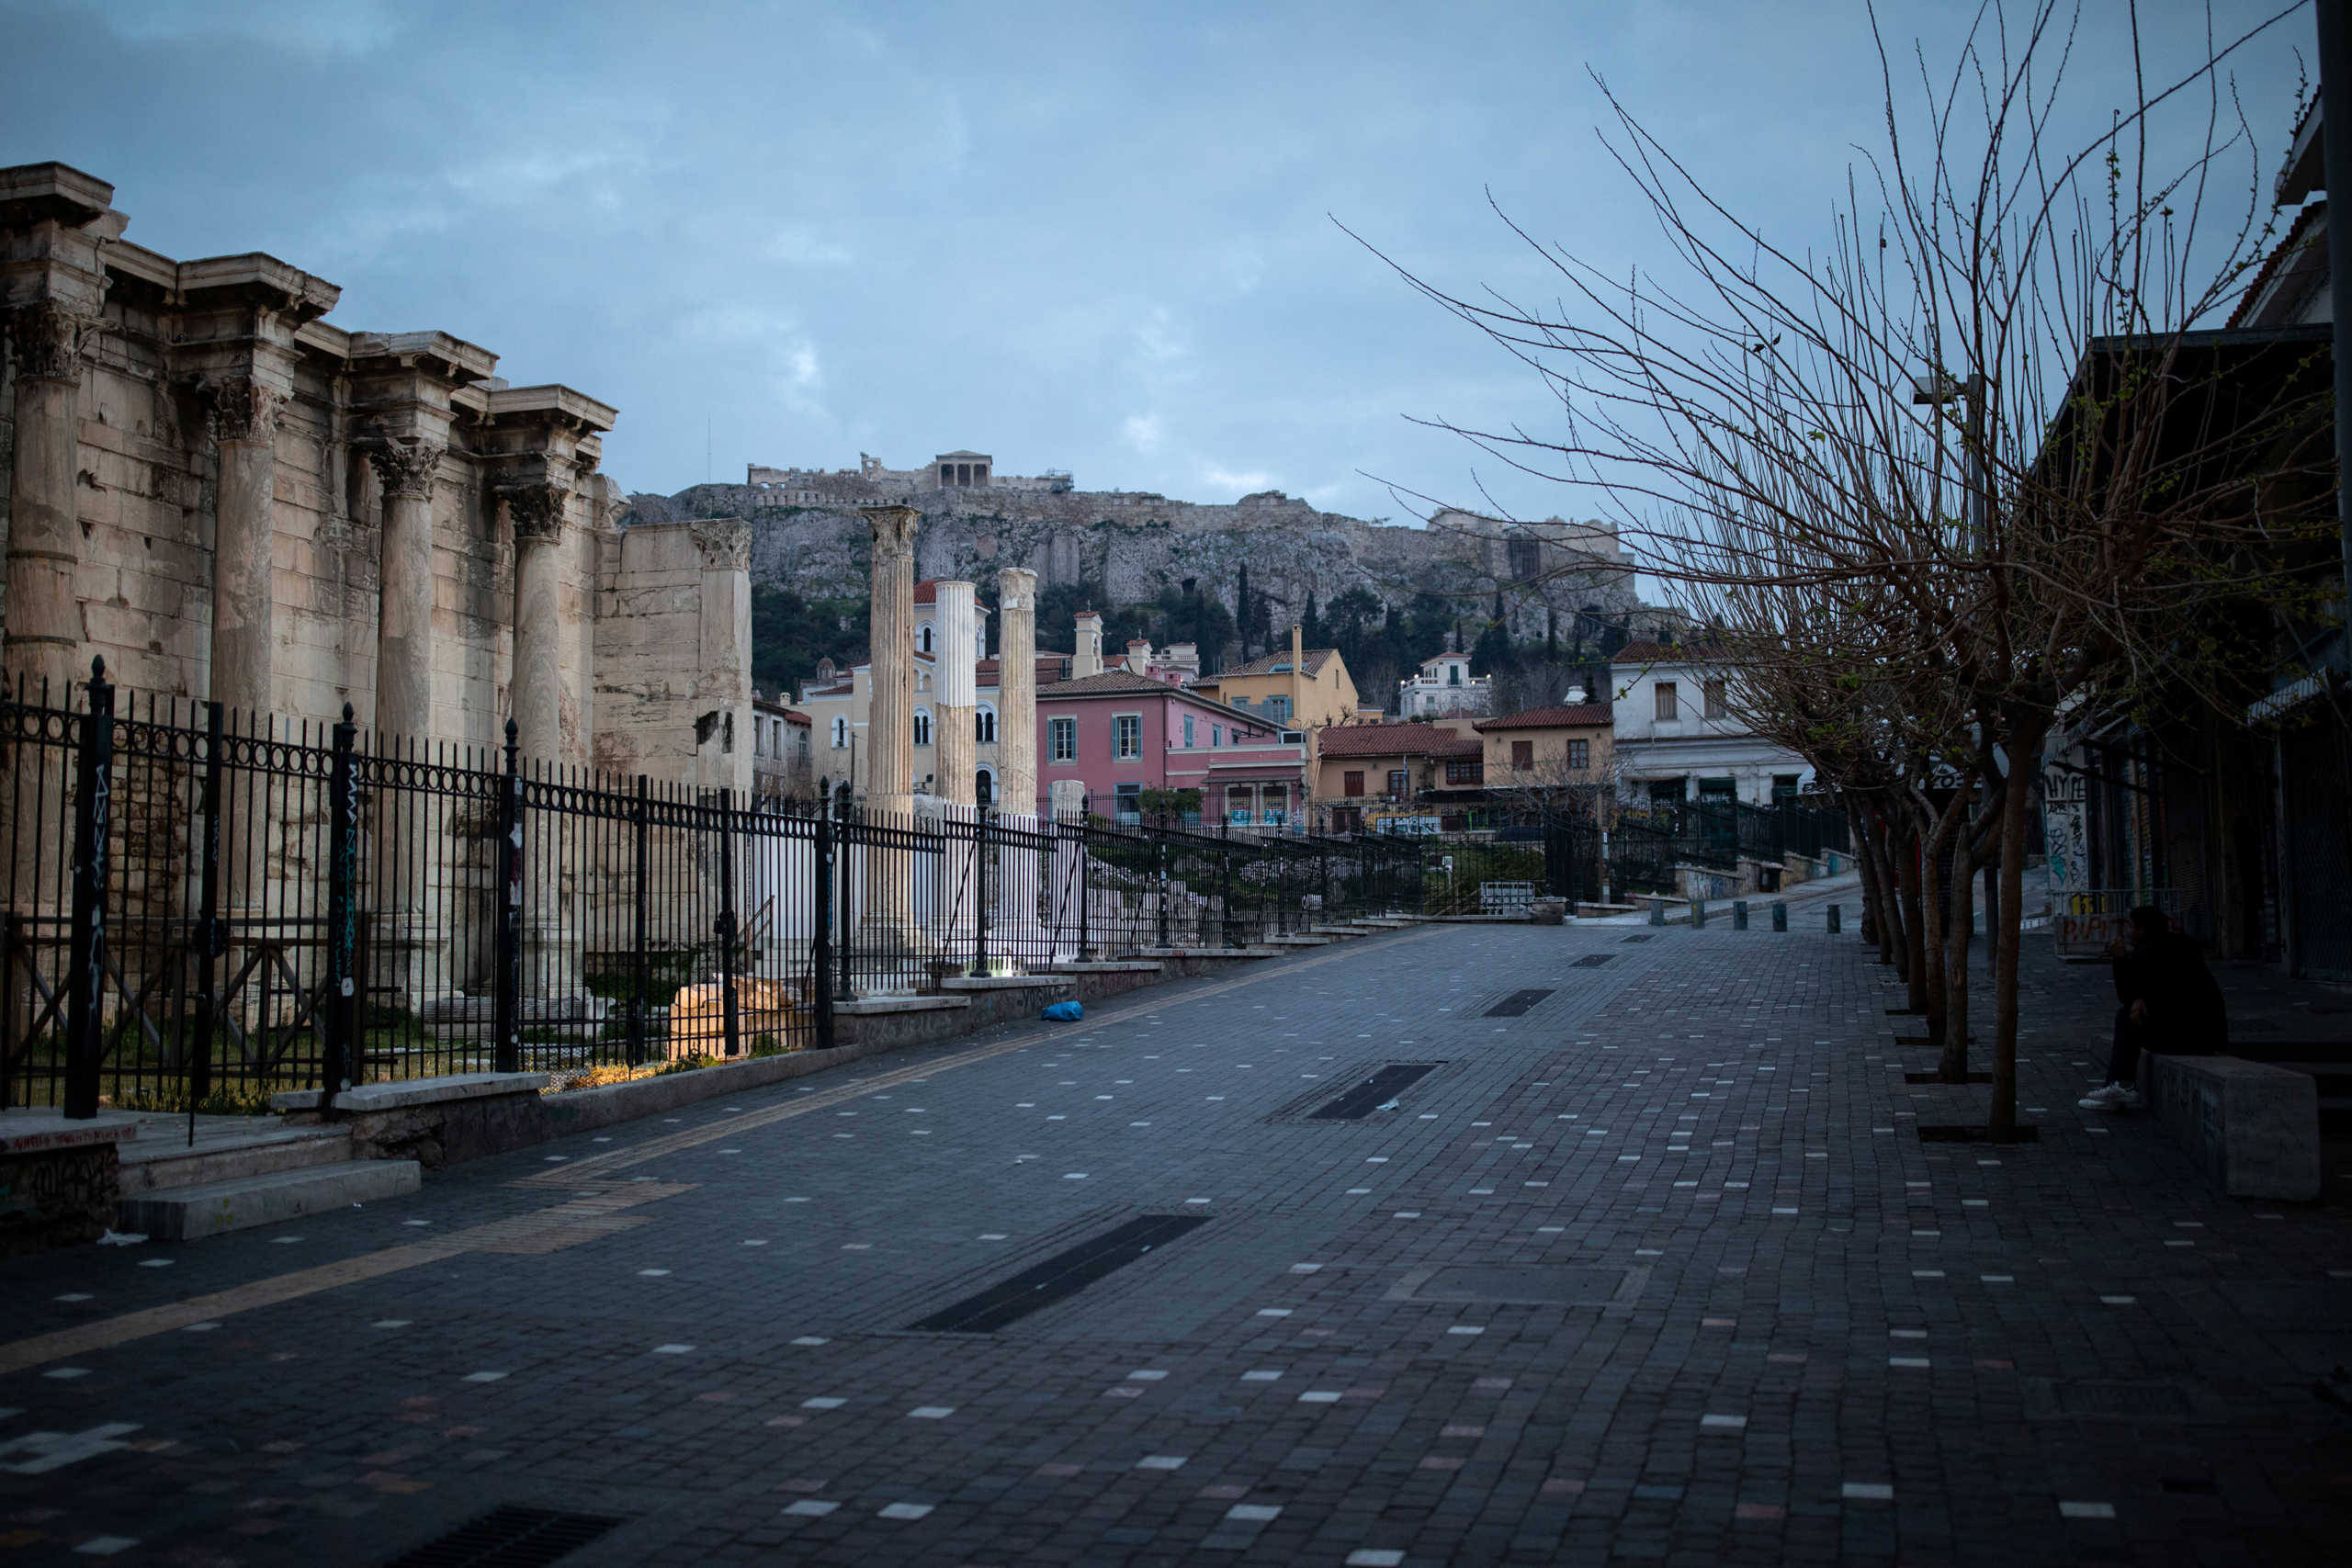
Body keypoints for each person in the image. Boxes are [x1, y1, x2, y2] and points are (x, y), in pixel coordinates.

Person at [2078, 905, 2227, 1111]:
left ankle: (2120, 1086)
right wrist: (2141, 999)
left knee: (2125, 1017)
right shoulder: (2180, 945)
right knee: (2131, 1013)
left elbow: (2126, 995)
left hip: (2186, 1037)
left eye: (2132, 928)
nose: (2129, 933)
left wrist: (2120, 959)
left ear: (2143, 930)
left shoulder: (2149, 952)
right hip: (2207, 1035)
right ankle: (2118, 1086)